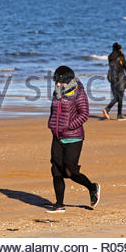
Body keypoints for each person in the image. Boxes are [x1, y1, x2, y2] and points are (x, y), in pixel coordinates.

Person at [47, 66, 100, 213]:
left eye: (60, 81)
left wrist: (69, 126)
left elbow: (84, 114)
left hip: (73, 137)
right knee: (56, 170)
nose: (57, 84)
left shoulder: (79, 93)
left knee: (70, 171)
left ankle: (92, 187)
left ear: (68, 80)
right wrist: (52, 124)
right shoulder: (56, 93)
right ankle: (59, 204)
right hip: (57, 136)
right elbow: (54, 111)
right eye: (56, 81)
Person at [102, 42, 126, 121]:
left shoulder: (110, 57)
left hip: (112, 78)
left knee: (116, 97)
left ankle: (108, 110)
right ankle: (118, 114)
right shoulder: (120, 56)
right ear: (119, 49)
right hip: (120, 78)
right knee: (119, 97)